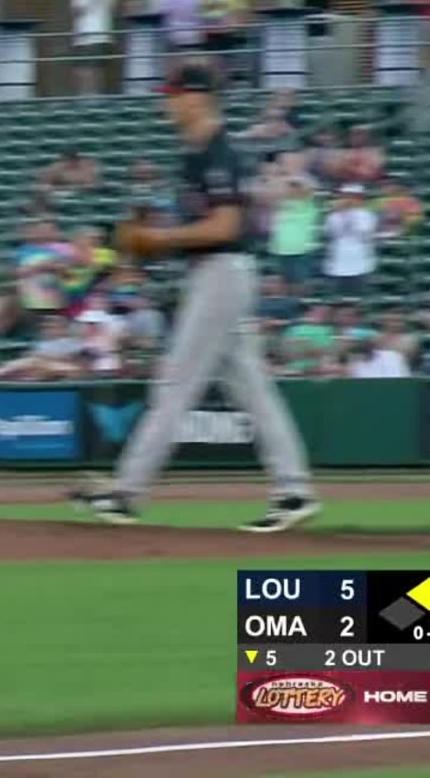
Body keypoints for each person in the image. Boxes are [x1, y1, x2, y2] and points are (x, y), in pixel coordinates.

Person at [71, 63, 317, 533]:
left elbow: (226, 227)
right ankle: (294, 489)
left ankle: (127, 492)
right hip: (215, 272)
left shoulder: (219, 152)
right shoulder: (194, 153)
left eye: (174, 93)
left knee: (176, 384)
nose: (167, 101)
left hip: (222, 272)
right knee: (251, 387)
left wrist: (161, 239)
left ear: (197, 97)